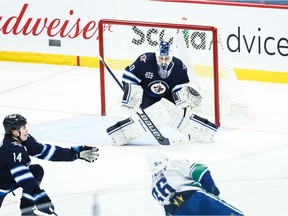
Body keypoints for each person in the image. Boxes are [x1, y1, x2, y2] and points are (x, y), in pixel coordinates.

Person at [106, 41, 218, 146]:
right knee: (148, 117)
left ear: (171, 57)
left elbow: (181, 87)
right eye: (161, 58)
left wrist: (183, 100)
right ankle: (119, 135)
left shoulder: (180, 67)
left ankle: (206, 132)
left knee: (176, 115)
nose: (163, 61)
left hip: (167, 96)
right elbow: (129, 76)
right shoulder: (144, 60)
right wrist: (132, 96)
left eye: (166, 58)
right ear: (156, 56)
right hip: (147, 95)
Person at [0, 114, 99, 215]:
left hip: (9, 180)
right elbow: (23, 176)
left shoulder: (23, 139)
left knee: (36, 170)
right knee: (29, 177)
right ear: (15, 132)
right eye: (23, 128)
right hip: (2, 186)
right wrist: (39, 197)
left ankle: (27, 212)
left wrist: (74, 153)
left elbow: (45, 151)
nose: (26, 130)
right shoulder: (11, 149)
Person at [146, 151, 243, 215]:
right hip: (194, 198)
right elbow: (201, 171)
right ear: (165, 159)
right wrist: (212, 191)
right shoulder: (173, 164)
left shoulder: (153, 186)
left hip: (174, 211)